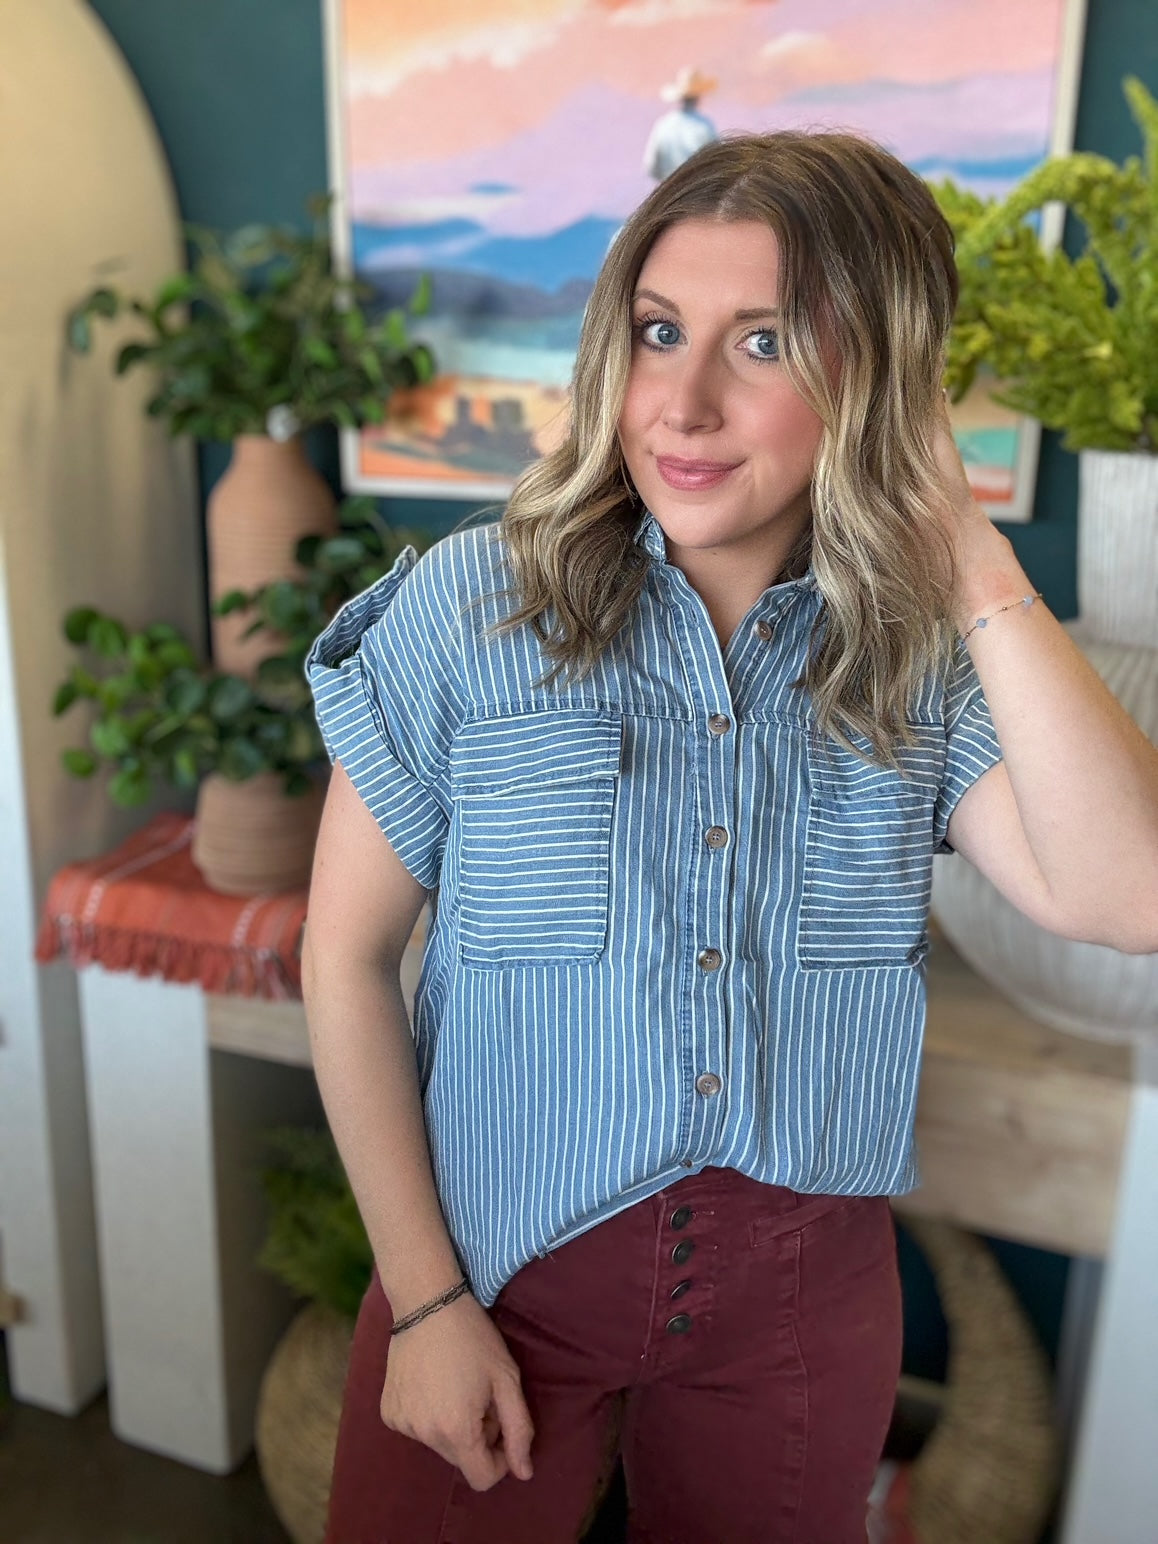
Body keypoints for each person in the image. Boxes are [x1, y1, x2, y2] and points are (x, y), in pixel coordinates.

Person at [303, 132, 1158, 1544]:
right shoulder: (472, 610)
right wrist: (430, 1301)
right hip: (497, 1277)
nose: (682, 404)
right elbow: (340, 959)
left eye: (762, 342)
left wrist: (967, 553)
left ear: (873, 380)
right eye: (656, 333)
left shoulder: (912, 659)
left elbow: (1126, 895)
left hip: (797, 1320)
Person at [643, 67, 718, 181]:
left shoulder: (663, 125)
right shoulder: (704, 126)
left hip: (668, 191)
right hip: (696, 190)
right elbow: (717, 163)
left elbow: (651, 166)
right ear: (699, 96)